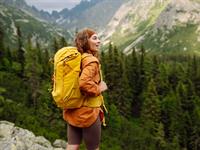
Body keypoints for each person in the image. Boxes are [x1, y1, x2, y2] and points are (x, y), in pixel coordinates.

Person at [63, 28, 108, 150]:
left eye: (98, 38)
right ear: (85, 41)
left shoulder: (77, 58)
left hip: (73, 109)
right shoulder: (91, 61)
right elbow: (84, 83)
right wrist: (99, 88)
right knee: (93, 148)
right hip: (88, 113)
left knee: (72, 145)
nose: (99, 41)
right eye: (94, 38)